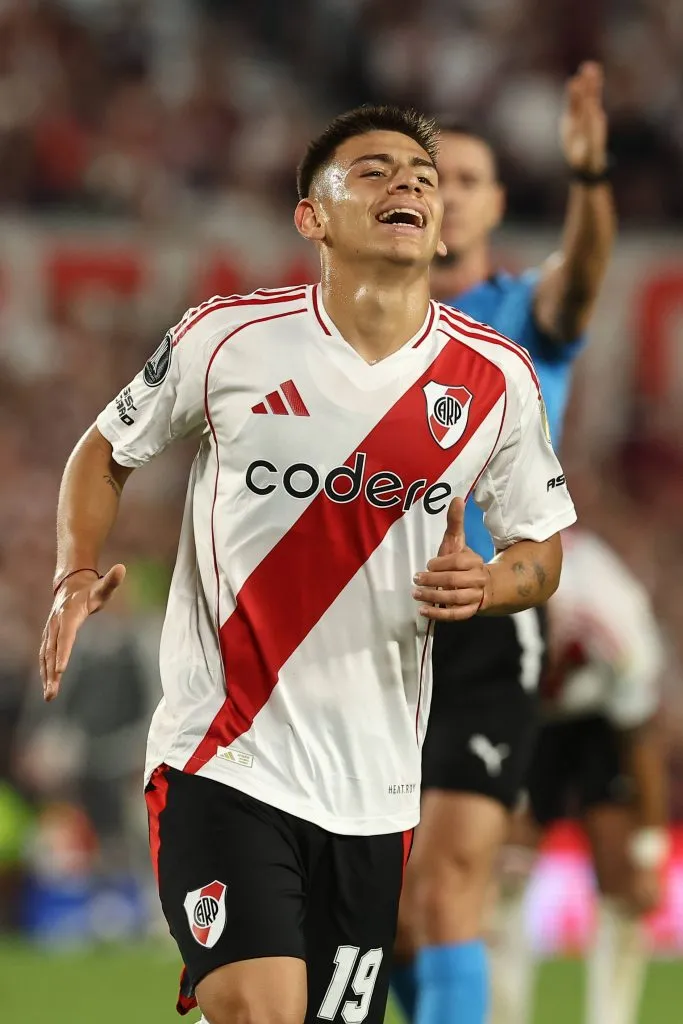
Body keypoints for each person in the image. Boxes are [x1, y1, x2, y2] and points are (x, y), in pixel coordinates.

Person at [39, 104, 576, 1024]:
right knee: (262, 1011)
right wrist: (74, 570)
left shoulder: (497, 378)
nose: (406, 182)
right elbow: (104, 449)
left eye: (420, 174)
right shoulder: (228, 339)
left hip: (372, 786)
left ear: (441, 222)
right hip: (223, 758)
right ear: (311, 217)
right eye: (371, 170)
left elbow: (543, 551)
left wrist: (492, 585)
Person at [393, 63, 616, 1024]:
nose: (446, 192)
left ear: (493, 204)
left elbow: (584, 282)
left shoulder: (522, 311)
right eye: (428, 175)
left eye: (468, 177)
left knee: (445, 889)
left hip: (485, 613)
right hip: (365, 623)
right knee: (380, 909)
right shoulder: (361, 328)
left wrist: (591, 182)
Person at [490, 527, 668, 1024]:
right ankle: (503, 1015)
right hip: (525, 719)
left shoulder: (608, 615)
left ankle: (611, 1018)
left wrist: (650, 847)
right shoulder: (492, 592)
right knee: (505, 865)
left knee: (622, 870)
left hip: (597, 721)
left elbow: (638, 735)